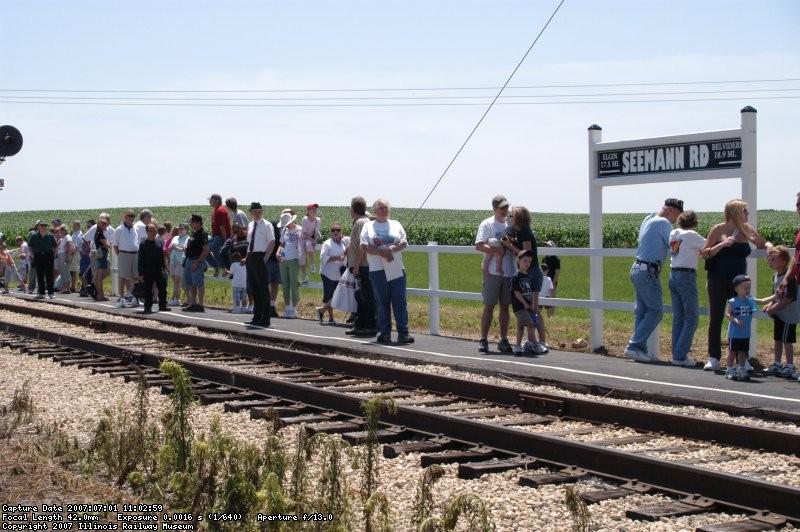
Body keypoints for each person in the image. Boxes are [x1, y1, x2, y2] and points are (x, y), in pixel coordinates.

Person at [702, 199, 771, 372]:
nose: (747, 214)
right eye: (745, 211)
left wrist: (770, 248)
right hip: (717, 279)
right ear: (735, 213)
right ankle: (714, 357)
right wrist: (722, 244)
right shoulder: (718, 229)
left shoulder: (746, 230)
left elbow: (762, 242)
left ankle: (743, 359)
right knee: (716, 318)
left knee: (743, 318)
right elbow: (705, 253)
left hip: (740, 283)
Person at [624, 198, 684, 363]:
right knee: (656, 311)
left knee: (641, 312)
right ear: (671, 210)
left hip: (637, 268)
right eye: (677, 215)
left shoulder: (648, 218)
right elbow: (674, 247)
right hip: (649, 271)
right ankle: (634, 346)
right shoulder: (664, 223)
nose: (676, 220)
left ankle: (639, 349)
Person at [360, 198, 414, 344]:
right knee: (382, 302)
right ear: (375, 210)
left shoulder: (396, 224)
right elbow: (364, 245)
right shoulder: (368, 226)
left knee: (400, 301)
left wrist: (391, 249)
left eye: (386, 208)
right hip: (377, 269)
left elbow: (404, 242)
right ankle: (385, 332)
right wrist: (380, 252)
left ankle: (403, 332)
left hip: (396, 267)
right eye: (381, 208)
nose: (384, 211)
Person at [475, 195, 515, 353]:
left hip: (508, 271)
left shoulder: (510, 224)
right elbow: (479, 245)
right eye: (502, 208)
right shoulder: (487, 224)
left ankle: (503, 339)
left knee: (505, 306)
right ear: (494, 209)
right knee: (489, 305)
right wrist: (496, 251)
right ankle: (483, 339)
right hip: (492, 272)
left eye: (506, 207)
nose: (505, 211)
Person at [668, 210, 706, 367]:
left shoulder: (674, 233)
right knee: (692, 318)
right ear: (694, 222)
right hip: (686, 275)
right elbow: (708, 245)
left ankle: (677, 353)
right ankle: (680, 354)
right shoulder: (691, 235)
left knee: (679, 317)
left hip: (673, 274)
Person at [760, 246, 798, 378]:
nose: (770, 263)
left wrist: (775, 307)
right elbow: (775, 296)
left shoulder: (790, 278)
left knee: (787, 341)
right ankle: (777, 363)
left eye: (773, 260)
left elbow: (790, 298)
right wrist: (770, 304)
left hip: (789, 315)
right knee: (777, 339)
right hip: (780, 315)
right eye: (769, 260)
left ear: (783, 261)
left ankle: (789, 366)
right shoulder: (775, 276)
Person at [346, 197, 377, 337]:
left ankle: (369, 325)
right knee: (360, 296)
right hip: (364, 265)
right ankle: (360, 324)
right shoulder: (366, 221)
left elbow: (361, 246)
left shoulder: (360, 222)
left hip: (363, 266)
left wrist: (356, 264)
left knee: (365, 296)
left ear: (352, 209)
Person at [246, 202, 275, 326]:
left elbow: (272, 242)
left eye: (259, 211)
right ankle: (256, 316)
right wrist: (247, 257)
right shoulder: (250, 225)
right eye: (255, 212)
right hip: (251, 257)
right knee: (254, 288)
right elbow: (249, 243)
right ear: (251, 213)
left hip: (261, 256)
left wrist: (265, 258)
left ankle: (265, 317)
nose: (257, 214)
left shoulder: (267, 225)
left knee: (263, 288)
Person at [725, 274, 757, 381]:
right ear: (737, 289)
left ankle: (741, 368)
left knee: (743, 352)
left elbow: (761, 301)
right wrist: (735, 320)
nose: (747, 290)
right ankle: (729, 369)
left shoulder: (750, 300)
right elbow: (728, 314)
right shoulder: (732, 301)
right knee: (732, 351)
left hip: (745, 333)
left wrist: (775, 297)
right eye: (745, 288)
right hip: (734, 333)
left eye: (749, 288)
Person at [316, 222, 348, 324]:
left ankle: (322, 311)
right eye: (333, 230)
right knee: (329, 296)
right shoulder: (327, 243)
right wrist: (337, 258)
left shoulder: (343, 243)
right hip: (327, 273)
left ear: (341, 231)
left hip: (339, 274)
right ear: (330, 232)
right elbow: (322, 258)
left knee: (336, 295)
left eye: (337, 230)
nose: (335, 232)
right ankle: (330, 317)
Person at [511, 250, 540, 355]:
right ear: (518, 261)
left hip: (528, 305)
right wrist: (524, 303)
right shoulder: (516, 276)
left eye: (529, 261)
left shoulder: (529, 277)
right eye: (525, 261)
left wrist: (532, 304)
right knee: (530, 324)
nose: (527, 263)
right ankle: (536, 345)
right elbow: (516, 292)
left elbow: (531, 291)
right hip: (519, 306)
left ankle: (518, 346)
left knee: (520, 326)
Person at [137, 223, 170, 314]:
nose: (153, 232)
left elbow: (163, 256)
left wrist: (165, 268)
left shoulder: (160, 241)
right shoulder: (143, 244)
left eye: (154, 230)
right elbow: (140, 260)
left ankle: (163, 305)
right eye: (150, 231)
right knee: (148, 290)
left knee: (163, 288)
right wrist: (141, 273)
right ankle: (147, 307)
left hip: (159, 269)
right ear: (147, 232)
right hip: (148, 270)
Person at [277, 210, 302, 318]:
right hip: (283, 259)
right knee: (285, 284)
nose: (286, 225)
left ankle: (294, 307)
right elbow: (282, 243)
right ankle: (287, 307)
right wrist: (278, 252)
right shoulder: (284, 231)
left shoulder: (299, 230)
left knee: (294, 284)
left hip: (294, 259)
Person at [182, 214, 210, 312]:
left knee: (198, 282)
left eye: (192, 222)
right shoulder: (194, 233)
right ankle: (193, 303)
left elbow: (206, 250)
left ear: (198, 223)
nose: (191, 224)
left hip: (196, 260)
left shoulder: (202, 234)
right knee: (191, 283)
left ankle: (200, 304)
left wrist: (198, 262)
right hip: (189, 260)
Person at [113, 210, 140, 307]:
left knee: (135, 277)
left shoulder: (135, 229)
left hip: (135, 254)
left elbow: (137, 242)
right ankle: (122, 298)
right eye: (129, 216)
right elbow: (115, 245)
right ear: (125, 217)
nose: (131, 218)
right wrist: (120, 255)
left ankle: (135, 298)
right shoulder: (119, 229)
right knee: (122, 277)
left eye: (133, 216)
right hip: (124, 254)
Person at [28, 220, 58, 299]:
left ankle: (51, 293)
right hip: (38, 256)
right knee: (40, 274)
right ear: (38, 227)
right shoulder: (34, 235)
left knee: (49, 275)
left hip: (48, 256)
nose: (43, 227)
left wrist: (54, 255)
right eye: (42, 225)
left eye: (45, 225)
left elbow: (56, 246)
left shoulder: (50, 236)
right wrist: (32, 255)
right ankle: (41, 292)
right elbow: (30, 246)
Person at [208, 193, 231, 277]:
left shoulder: (220, 210)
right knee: (204, 246)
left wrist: (225, 240)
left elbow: (222, 227)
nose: (209, 202)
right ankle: (216, 266)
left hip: (222, 236)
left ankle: (224, 267)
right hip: (216, 236)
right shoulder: (215, 210)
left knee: (214, 246)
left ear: (215, 201)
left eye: (210, 200)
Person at [167, 224, 189, 306]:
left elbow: (185, 249)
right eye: (179, 229)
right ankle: (177, 298)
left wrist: (176, 248)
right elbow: (169, 249)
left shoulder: (187, 238)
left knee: (177, 280)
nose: (180, 230)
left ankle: (172, 298)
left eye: (182, 229)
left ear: (186, 230)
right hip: (173, 260)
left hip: (181, 261)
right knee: (174, 280)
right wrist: (172, 248)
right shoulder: (175, 238)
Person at [300, 203, 321, 283]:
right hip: (303, 238)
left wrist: (315, 240)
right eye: (313, 209)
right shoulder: (305, 219)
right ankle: (305, 275)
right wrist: (313, 241)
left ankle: (312, 264)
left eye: (315, 209)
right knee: (301, 256)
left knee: (309, 245)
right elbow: (304, 233)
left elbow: (316, 232)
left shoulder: (318, 220)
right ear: (308, 211)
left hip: (311, 238)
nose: (315, 211)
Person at [92, 218, 112, 302]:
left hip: (99, 254)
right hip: (102, 254)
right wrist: (108, 243)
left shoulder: (97, 233)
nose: (106, 227)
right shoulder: (100, 234)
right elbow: (107, 246)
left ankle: (99, 294)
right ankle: (101, 295)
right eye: (105, 225)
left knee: (97, 275)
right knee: (99, 275)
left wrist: (106, 245)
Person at [541, 241, 561, 317]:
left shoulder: (556, 259)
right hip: (544, 281)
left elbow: (557, 271)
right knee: (543, 296)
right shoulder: (544, 258)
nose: (546, 247)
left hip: (552, 280)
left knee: (551, 298)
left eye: (548, 246)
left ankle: (551, 316)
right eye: (546, 246)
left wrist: (554, 281)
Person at [69, 220, 82, 292]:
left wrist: (71, 255)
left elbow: (76, 247)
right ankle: (73, 285)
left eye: (75, 225)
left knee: (73, 270)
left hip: (75, 254)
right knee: (72, 270)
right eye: (73, 225)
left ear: (78, 226)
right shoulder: (75, 234)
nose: (73, 227)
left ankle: (73, 286)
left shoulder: (77, 235)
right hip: (74, 253)